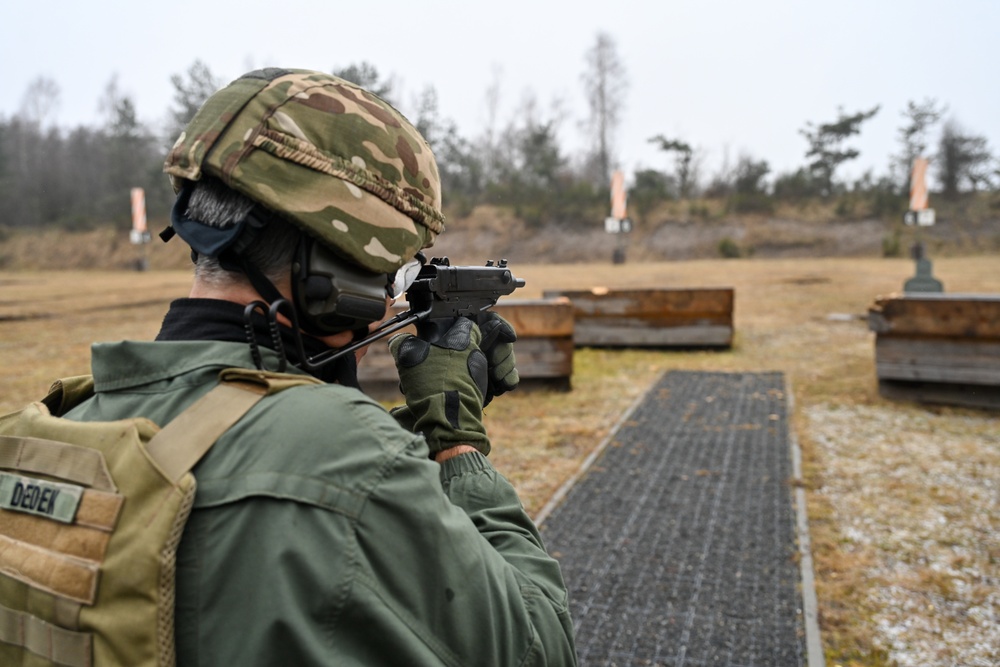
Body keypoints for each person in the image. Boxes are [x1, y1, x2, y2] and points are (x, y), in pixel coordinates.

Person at [62, 68, 577, 665]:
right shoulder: (358, 466)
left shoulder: (61, 422)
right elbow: (539, 643)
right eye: (383, 274)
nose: (386, 300)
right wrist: (456, 443)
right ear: (336, 281)